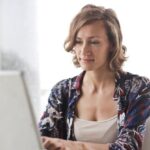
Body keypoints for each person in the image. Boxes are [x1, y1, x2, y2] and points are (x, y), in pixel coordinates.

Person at [39, 4, 150, 150]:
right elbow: (40, 139)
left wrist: (71, 146)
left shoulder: (139, 88)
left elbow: (129, 146)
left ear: (112, 44)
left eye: (94, 42)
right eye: (79, 41)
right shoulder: (62, 91)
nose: (84, 50)